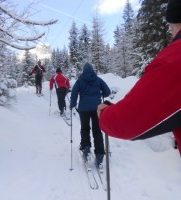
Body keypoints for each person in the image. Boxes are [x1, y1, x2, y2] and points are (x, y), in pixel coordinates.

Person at [97, 0, 181, 156]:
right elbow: (105, 88)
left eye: (170, 27)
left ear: (176, 23)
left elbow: (128, 121)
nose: (171, 33)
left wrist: (105, 114)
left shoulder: (174, 60)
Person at [70, 63, 110, 167]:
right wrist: (102, 93)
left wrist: (72, 104)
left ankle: (86, 148)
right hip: (97, 108)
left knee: (85, 128)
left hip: (83, 109)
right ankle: (100, 154)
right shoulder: (98, 79)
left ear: (83, 71)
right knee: (97, 130)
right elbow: (107, 92)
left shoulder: (80, 81)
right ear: (92, 70)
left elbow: (74, 93)